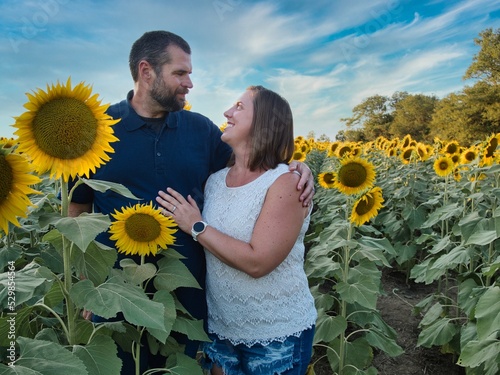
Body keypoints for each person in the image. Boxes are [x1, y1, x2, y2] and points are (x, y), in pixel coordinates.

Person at [68, 31, 315, 373]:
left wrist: (298, 168)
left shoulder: (201, 130)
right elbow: (76, 209)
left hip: (189, 294)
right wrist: (87, 281)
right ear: (146, 71)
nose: (190, 83)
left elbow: (255, 165)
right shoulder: (98, 132)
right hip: (117, 290)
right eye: (180, 73)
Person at [156, 85, 317, 375]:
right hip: (221, 328)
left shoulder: (285, 183)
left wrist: (195, 225)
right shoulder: (215, 181)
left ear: (266, 121)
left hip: (275, 334)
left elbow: (258, 262)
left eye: (240, 107)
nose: (227, 113)